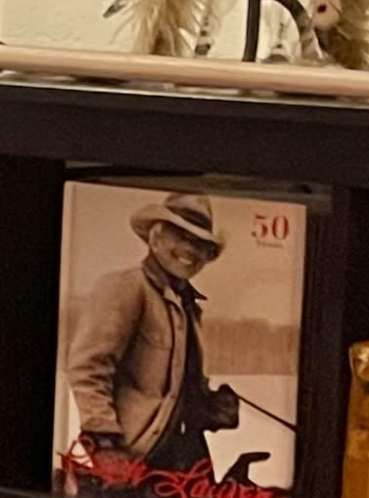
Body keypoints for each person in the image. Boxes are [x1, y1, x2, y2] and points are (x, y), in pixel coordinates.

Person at [64, 191, 240, 482]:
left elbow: (171, 393)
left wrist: (211, 407)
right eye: (179, 236)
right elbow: (88, 369)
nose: (189, 249)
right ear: (155, 237)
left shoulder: (189, 308)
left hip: (188, 461)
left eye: (199, 243)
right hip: (134, 460)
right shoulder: (125, 287)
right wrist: (105, 445)